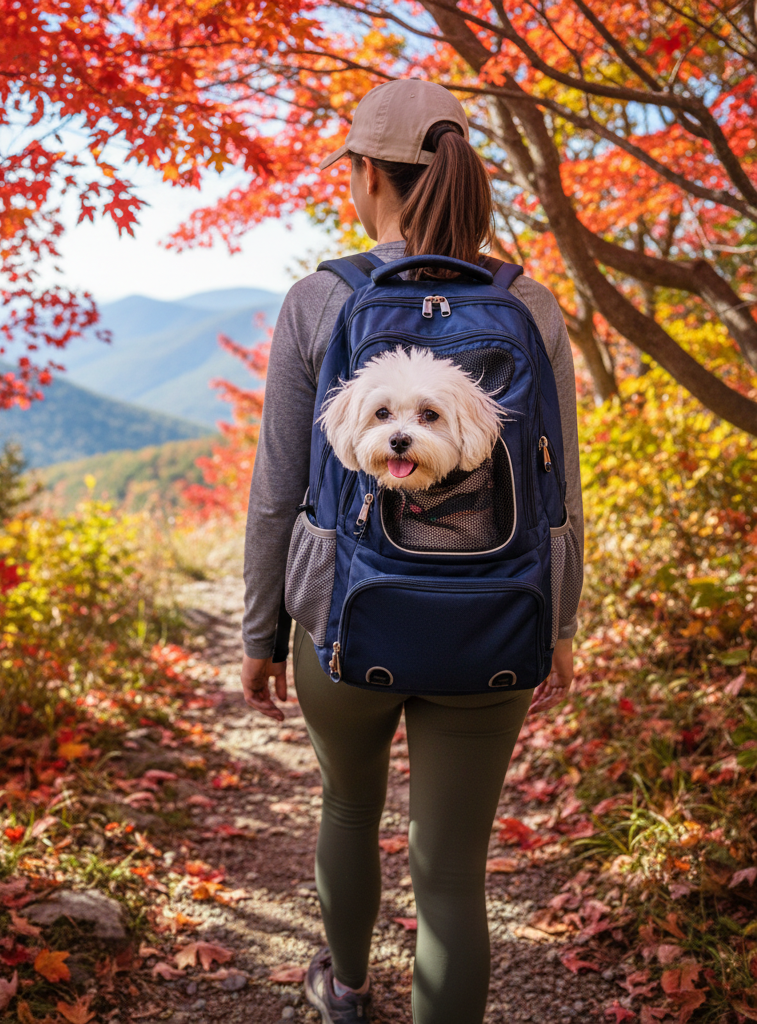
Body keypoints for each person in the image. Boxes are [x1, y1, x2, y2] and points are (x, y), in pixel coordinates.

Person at [239, 79, 583, 1024]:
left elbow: (277, 485)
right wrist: (559, 621)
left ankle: (346, 990)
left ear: (364, 176)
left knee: (348, 809)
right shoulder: (531, 303)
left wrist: (261, 630)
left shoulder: (320, 297)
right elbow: (562, 493)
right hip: (498, 614)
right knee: (453, 870)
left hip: (345, 618)